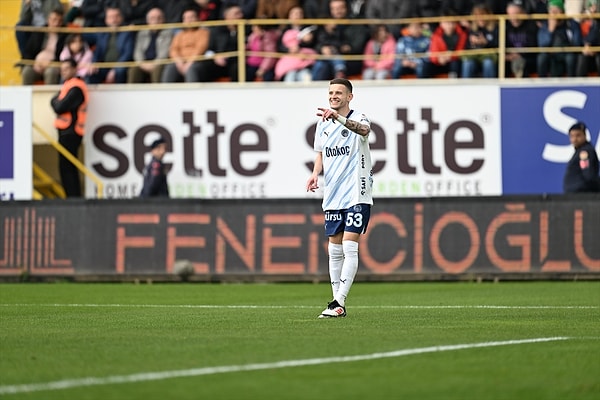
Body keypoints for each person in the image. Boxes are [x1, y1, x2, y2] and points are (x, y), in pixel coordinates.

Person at [306, 78, 373, 318]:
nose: (333, 96)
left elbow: (363, 131)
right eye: (331, 92)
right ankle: (336, 302)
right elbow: (321, 153)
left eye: (339, 93)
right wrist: (315, 174)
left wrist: (338, 119)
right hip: (333, 194)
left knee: (349, 246)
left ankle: (339, 301)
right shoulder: (322, 124)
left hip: (357, 192)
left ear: (349, 97)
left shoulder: (359, 118)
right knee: (333, 250)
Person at [50, 59, 89, 197]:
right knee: (65, 168)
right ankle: (71, 196)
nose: (63, 71)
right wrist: (56, 101)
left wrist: (55, 102)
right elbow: (56, 102)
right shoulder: (68, 86)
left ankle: (73, 197)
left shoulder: (76, 87)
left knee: (68, 168)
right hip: (66, 132)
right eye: (62, 68)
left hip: (71, 132)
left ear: (74, 69)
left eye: (66, 68)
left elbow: (59, 106)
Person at [310, 0, 370, 80]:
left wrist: (338, 48)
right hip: (328, 59)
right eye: (334, 9)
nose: (337, 11)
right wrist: (322, 49)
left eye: (340, 8)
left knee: (338, 67)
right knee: (320, 65)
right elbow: (317, 43)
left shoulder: (356, 24)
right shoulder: (326, 25)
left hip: (350, 60)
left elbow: (356, 46)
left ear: (346, 8)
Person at [161, 7, 211, 83]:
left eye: (191, 17)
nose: (189, 20)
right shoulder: (179, 34)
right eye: (186, 18)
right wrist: (179, 61)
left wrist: (189, 63)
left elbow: (201, 48)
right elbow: (173, 49)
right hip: (180, 62)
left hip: (197, 62)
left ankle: (192, 93)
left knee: (191, 69)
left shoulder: (203, 32)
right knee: (170, 68)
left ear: (197, 19)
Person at [87, 5, 135, 84]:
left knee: (120, 72)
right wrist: (93, 63)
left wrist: (115, 70)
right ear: (106, 20)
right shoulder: (102, 34)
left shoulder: (127, 33)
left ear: (121, 18)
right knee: (91, 72)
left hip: (120, 65)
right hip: (104, 66)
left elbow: (127, 54)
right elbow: (97, 51)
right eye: (111, 17)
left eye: (116, 16)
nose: (114, 20)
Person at [20, 8, 66, 85]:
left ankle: (51, 97)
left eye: (59, 21)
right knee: (27, 71)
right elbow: (28, 51)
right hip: (36, 65)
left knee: (51, 72)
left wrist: (51, 63)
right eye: (54, 20)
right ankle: (25, 96)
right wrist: (34, 63)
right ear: (48, 20)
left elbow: (65, 56)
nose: (56, 23)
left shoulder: (65, 35)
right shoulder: (39, 33)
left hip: (53, 65)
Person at [537, 0, 583, 77]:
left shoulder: (571, 23)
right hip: (552, 53)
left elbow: (577, 42)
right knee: (542, 58)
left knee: (570, 58)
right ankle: (541, 84)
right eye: (551, 10)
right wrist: (550, 31)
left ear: (562, 11)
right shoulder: (545, 26)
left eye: (557, 10)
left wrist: (567, 48)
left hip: (567, 52)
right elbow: (542, 44)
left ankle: (572, 83)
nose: (554, 13)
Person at [128, 7, 173, 83]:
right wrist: (142, 63)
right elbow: (138, 51)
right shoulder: (142, 33)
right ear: (148, 21)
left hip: (159, 63)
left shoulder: (168, 33)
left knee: (157, 70)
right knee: (133, 70)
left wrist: (154, 64)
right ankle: (131, 94)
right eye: (152, 18)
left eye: (159, 18)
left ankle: (157, 94)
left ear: (163, 20)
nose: (156, 21)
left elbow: (164, 53)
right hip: (144, 63)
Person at [274, 6, 317, 82]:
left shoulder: (308, 29)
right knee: (290, 77)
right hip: (290, 62)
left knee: (305, 76)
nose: (297, 16)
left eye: (300, 14)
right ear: (289, 16)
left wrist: (302, 44)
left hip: (304, 61)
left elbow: (313, 45)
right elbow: (279, 46)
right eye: (294, 14)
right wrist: (289, 49)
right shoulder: (285, 30)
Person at [424, 10, 468, 78]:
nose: (450, 25)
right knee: (426, 66)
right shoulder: (436, 35)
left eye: (452, 22)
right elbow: (433, 53)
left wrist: (450, 57)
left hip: (453, 62)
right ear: (441, 23)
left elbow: (461, 51)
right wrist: (438, 59)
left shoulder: (462, 34)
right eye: (447, 22)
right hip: (440, 62)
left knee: (455, 64)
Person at [461, 3, 499, 78]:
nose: (480, 18)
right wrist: (472, 43)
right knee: (467, 63)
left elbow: (499, 45)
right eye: (477, 15)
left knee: (488, 63)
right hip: (475, 56)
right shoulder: (472, 29)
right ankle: (465, 87)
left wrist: (486, 42)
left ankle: (489, 86)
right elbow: (467, 48)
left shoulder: (495, 28)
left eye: (483, 15)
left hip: (490, 57)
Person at [504, 1, 538, 78]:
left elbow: (533, 45)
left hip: (527, 57)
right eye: (511, 14)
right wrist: (508, 56)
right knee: (501, 64)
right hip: (511, 57)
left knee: (522, 64)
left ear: (522, 13)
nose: (513, 17)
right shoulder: (505, 26)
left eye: (516, 14)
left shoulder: (531, 26)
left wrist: (520, 55)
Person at [563, 122, 600, 193]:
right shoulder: (579, 151)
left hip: (581, 195)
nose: (574, 139)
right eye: (572, 136)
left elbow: (588, 175)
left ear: (585, 135)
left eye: (578, 135)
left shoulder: (585, 152)